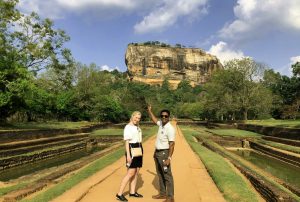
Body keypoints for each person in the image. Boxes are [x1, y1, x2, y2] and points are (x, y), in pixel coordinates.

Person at [147, 105, 176, 202]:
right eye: (162, 116)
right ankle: (163, 194)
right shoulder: (161, 124)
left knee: (167, 175)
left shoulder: (170, 128)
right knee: (160, 173)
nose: (164, 117)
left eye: (166, 116)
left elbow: (172, 144)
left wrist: (169, 158)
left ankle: (171, 197)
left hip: (164, 154)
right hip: (157, 153)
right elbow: (155, 120)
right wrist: (150, 111)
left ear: (169, 117)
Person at [116, 111, 144, 201]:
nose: (137, 119)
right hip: (132, 150)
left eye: (139, 118)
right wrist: (128, 155)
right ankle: (119, 194)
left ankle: (132, 192)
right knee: (130, 173)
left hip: (139, 149)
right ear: (132, 117)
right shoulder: (128, 127)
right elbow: (127, 142)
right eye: (136, 117)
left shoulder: (137, 127)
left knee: (136, 172)